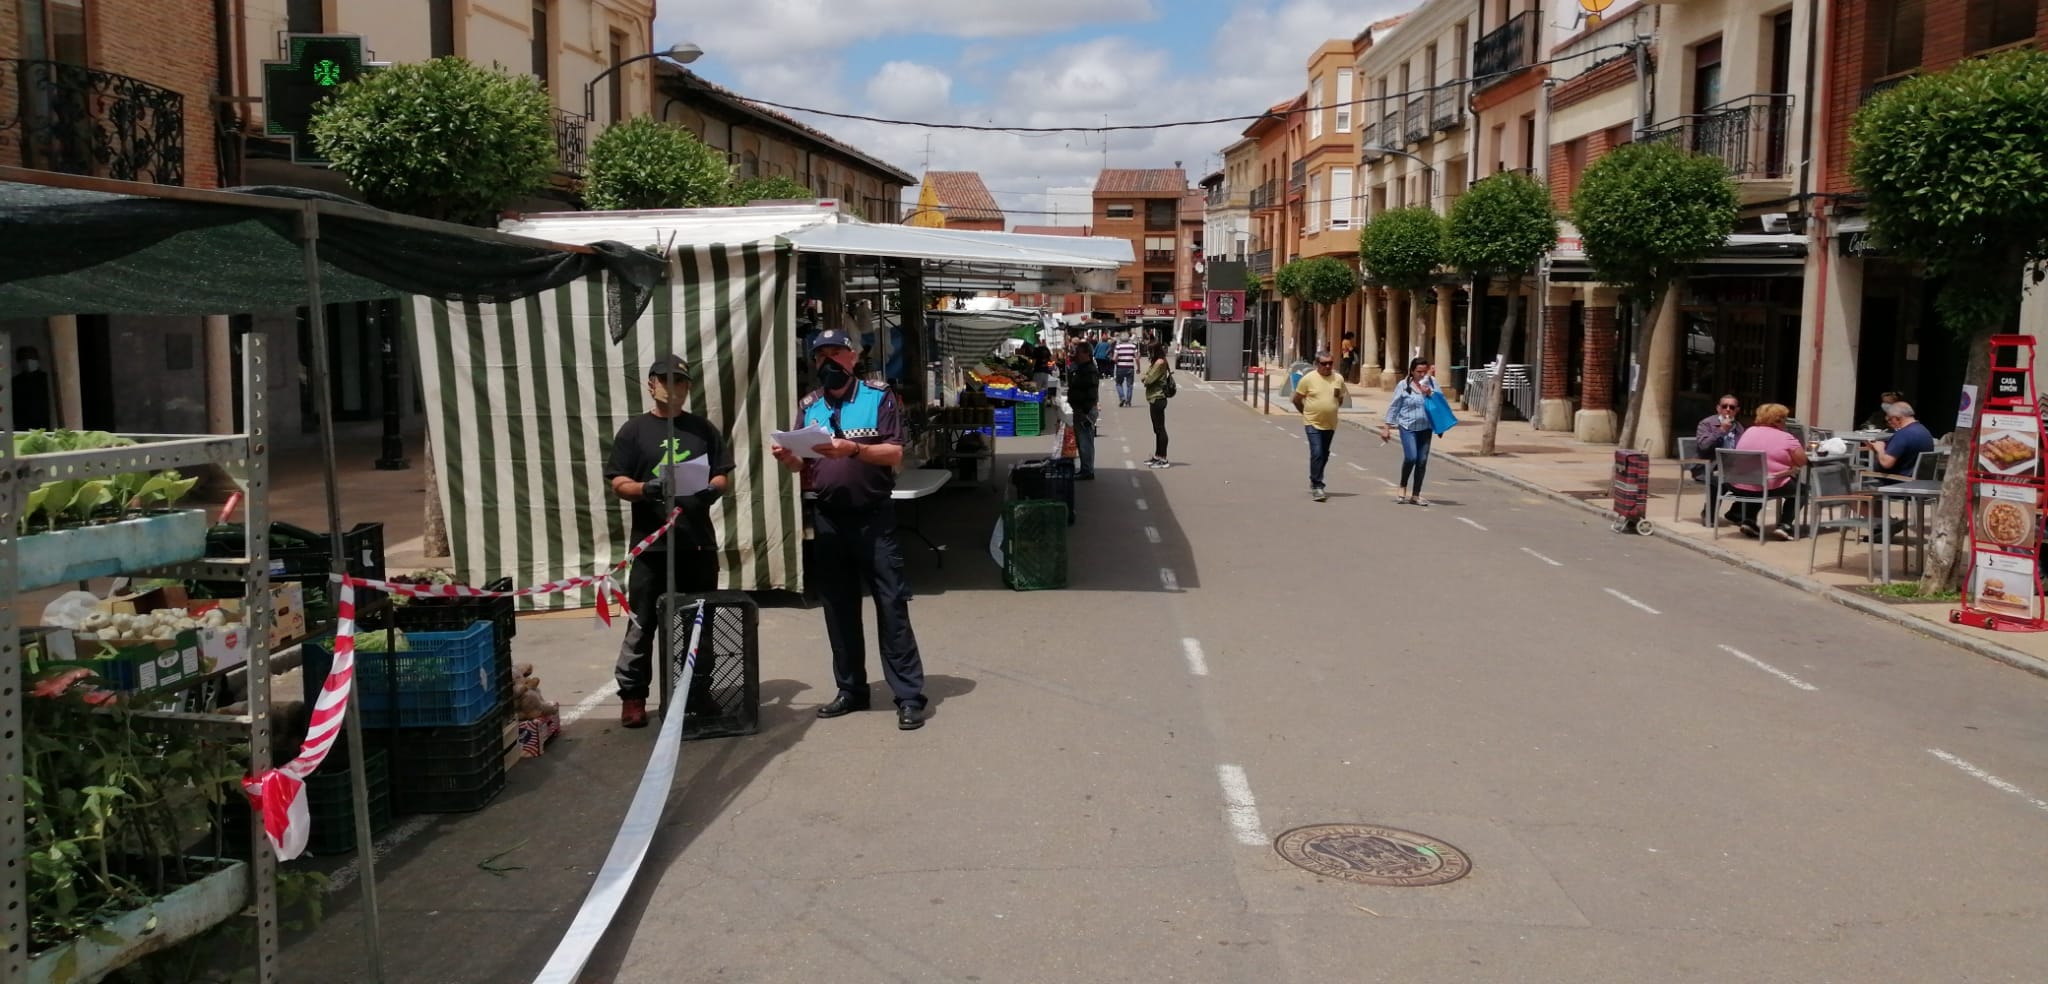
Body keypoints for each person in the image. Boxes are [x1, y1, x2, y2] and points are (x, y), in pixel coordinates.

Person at [771, 330, 930, 731]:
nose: (828, 361)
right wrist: (787, 457)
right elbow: (800, 468)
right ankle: (851, 690)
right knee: (839, 609)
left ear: (852, 357)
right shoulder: (809, 406)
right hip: (827, 518)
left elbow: (894, 452)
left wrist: (853, 449)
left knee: (891, 606)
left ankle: (909, 696)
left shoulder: (879, 397)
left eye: (835, 352)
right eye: (820, 354)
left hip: (873, 517)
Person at [605, 355, 733, 729]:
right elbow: (618, 483)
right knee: (642, 623)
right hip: (651, 547)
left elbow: (723, 473)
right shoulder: (634, 432)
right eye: (663, 380)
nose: (671, 387)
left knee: (698, 623)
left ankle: (697, 691)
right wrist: (646, 489)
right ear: (650, 385)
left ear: (687, 387)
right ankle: (633, 696)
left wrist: (713, 489)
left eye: (679, 381)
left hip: (696, 544)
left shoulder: (703, 429)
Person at [1728, 402, 1807, 539]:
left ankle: (1750, 521)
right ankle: (1785, 525)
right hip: (1768, 484)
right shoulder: (1786, 437)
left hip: (1739, 484)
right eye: (1785, 418)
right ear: (1779, 419)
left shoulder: (1749, 432)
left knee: (1758, 482)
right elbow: (1802, 461)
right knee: (1803, 490)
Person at [1378, 357, 1440, 506]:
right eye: (1419, 372)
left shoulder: (1432, 383)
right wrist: (1386, 427)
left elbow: (1440, 403)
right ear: (1412, 371)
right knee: (1411, 457)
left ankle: (1416, 495)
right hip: (1407, 427)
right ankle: (1403, 485)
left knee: (1422, 461)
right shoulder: (1403, 385)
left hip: (1426, 427)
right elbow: (1394, 406)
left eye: (1424, 372)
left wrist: (1430, 393)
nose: (1422, 375)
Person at [1292, 350, 1348, 502]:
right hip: (1312, 422)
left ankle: (1314, 477)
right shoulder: (1308, 379)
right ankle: (1318, 485)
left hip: (1330, 423)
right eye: (1324, 363)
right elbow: (1296, 399)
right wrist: (1305, 413)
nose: (1328, 366)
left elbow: (1340, 398)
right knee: (1316, 452)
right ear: (1317, 364)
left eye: (1331, 363)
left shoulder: (1338, 379)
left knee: (1324, 453)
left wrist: (1331, 407)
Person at [1693, 394, 1746, 525]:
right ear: (1718, 408)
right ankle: (1709, 513)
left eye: (1732, 407)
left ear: (1737, 410)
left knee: (1754, 480)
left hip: (1732, 467)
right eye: (1724, 406)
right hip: (1709, 466)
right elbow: (1704, 446)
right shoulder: (1707, 424)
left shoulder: (1739, 427)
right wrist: (1722, 430)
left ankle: (1736, 512)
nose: (1728, 409)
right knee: (1718, 479)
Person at [1867, 401, 1935, 479]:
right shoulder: (1924, 431)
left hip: (1898, 480)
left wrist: (1880, 449)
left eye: (1890, 419)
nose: (1890, 423)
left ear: (1897, 418)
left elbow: (1886, 463)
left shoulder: (1903, 435)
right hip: (1918, 480)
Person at [1066, 341, 1101, 480]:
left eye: (1079, 352)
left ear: (1086, 353)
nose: (1077, 355)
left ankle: (1087, 470)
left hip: (1084, 410)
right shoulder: (1081, 367)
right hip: (1080, 409)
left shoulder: (1089, 370)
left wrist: (1084, 411)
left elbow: (1091, 392)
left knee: (1085, 441)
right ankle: (1086, 468)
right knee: (1083, 441)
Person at [1140, 343, 1173, 468]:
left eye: (1150, 350)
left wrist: (1145, 378)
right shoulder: (1156, 362)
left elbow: (1148, 379)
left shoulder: (1159, 363)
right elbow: (1145, 375)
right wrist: (1145, 377)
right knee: (1157, 429)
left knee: (1160, 429)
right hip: (1154, 398)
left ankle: (1163, 458)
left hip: (1158, 398)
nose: (1148, 353)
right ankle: (1157, 455)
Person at [12, 345, 53, 431]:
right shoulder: (15, 382)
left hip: (45, 425)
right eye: (24, 357)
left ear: (37, 359)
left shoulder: (47, 379)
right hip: (22, 426)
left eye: (31, 357)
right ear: (18, 360)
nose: (27, 360)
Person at [1112, 334, 1140, 406]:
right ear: (1128, 339)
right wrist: (1138, 368)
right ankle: (1128, 402)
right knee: (1130, 385)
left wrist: (1116, 363)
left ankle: (1122, 397)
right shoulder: (1133, 346)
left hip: (1120, 368)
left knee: (1118, 384)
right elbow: (1137, 358)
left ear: (1121, 339)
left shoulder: (1118, 346)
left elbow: (1114, 358)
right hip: (1130, 368)